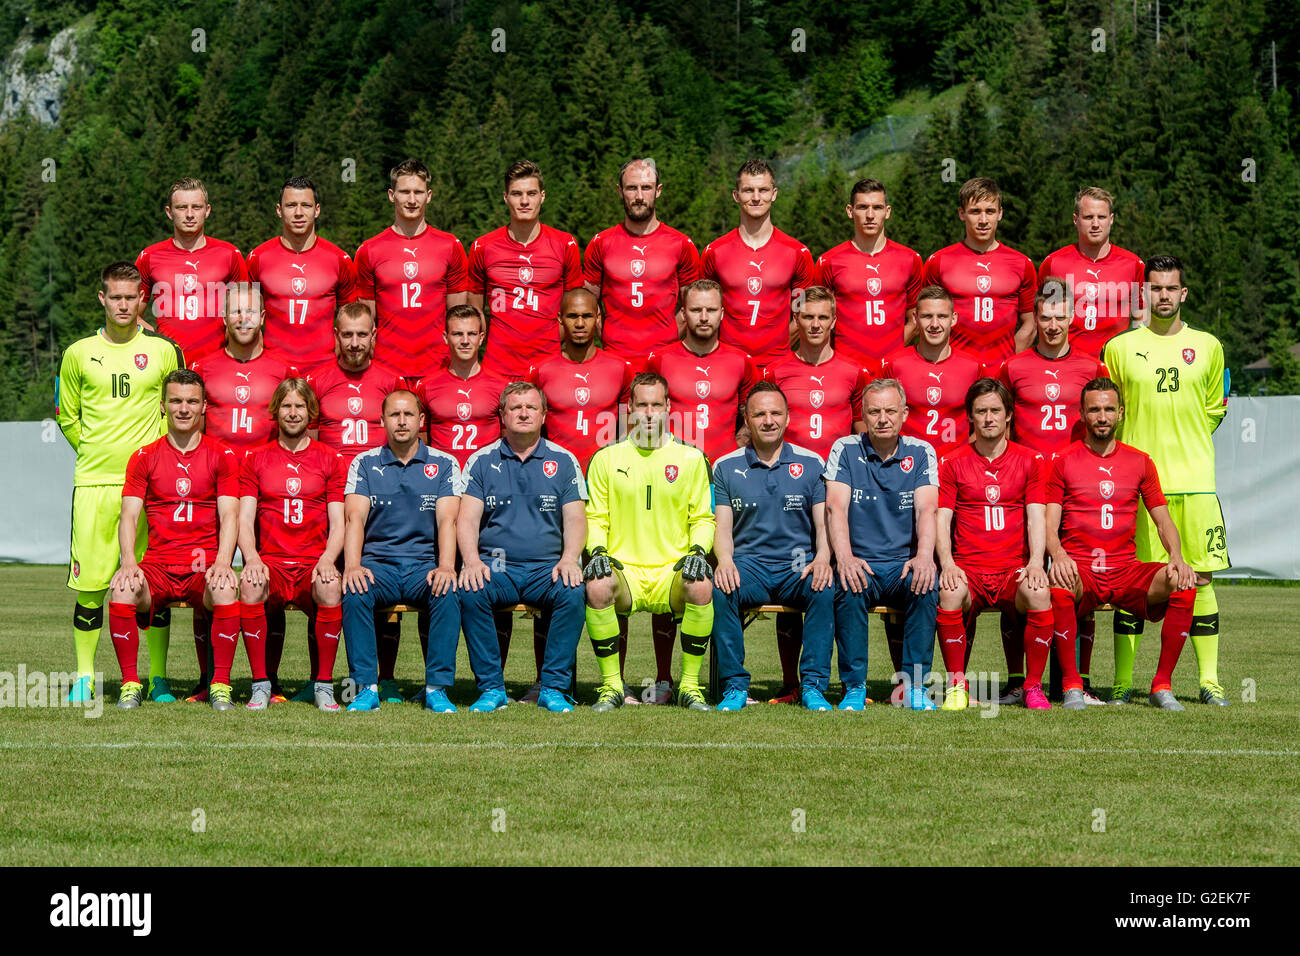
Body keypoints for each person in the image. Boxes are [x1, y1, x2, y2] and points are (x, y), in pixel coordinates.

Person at [1103, 256, 1229, 705]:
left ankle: (1208, 682)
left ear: (1183, 293)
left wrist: (1185, 442)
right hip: (1138, 487)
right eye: (1155, 288)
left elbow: (1215, 408)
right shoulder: (1118, 349)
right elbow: (1109, 413)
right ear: (1144, 294)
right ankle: (1122, 682)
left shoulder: (1209, 346)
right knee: (1133, 582)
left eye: (1171, 288)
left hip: (1196, 482)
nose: (1163, 295)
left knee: (1202, 579)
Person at [57, 261, 183, 704]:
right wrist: (95, 452)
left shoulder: (165, 351)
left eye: (132, 297)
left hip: (153, 491)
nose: (124, 304)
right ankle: (86, 677)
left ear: (142, 300)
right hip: (95, 484)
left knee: (154, 587)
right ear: (102, 299)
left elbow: (179, 408)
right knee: (91, 586)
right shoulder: (77, 353)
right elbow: (66, 417)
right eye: (116, 296)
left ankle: (158, 678)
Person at [1045, 378, 1197, 710]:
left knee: (1184, 584)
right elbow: (1048, 523)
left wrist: (1177, 556)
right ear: (1083, 414)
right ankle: (1072, 687)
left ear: (1121, 413)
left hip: (1126, 571)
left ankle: (1161, 686)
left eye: (1109, 409)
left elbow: (1163, 519)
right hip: (1082, 572)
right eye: (1095, 410)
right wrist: (1057, 554)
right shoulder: (1063, 460)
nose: (1102, 416)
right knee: (1059, 586)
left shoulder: (1140, 461)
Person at [995, 277, 1108, 703]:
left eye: (1061, 316)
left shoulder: (1092, 366)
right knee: (1022, 579)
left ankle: (1078, 679)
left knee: (1076, 582)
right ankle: (1015, 680)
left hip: (1073, 489)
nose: (1054, 324)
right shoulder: (1014, 366)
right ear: (1035, 319)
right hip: (1022, 485)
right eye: (1045, 316)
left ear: (1073, 316)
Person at [107, 370, 240, 710]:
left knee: (225, 586)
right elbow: (129, 516)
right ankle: (130, 684)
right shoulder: (144, 456)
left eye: (192, 401)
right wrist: (128, 562)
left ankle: (220, 684)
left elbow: (229, 516)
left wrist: (224, 562)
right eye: (176, 400)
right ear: (163, 406)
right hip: (159, 566)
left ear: (204, 407)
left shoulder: (223, 456)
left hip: (204, 565)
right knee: (121, 588)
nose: (184, 408)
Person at [583, 372, 716, 711]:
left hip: (671, 572)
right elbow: (596, 518)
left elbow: (702, 518)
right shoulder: (605, 458)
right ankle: (612, 687)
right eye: (641, 404)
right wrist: (596, 549)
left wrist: (699, 550)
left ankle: (689, 687)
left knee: (701, 586)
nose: (649, 412)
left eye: (657, 404)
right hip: (625, 570)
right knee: (597, 585)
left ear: (669, 408)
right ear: (629, 409)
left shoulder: (690, 458)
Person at [760, 284, 867, 702]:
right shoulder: (776, 371)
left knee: (842, 583)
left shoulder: (853, 371)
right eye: (808, 316)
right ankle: (793, 682)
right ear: (796, 320)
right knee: (798, 576)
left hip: (838, 493)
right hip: (792, 493)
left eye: (823, 317)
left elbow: (862, 435)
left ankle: (849, 681)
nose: (816, 324)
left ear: (834, 321)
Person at [456, 383, 588, 713]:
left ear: (543, 415)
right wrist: (471, 561)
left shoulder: (564, 460)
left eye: (531, 407)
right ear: (502, 416)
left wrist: (570, 558)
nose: (524, 413)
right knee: (472, 590)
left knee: (572, 592)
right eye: (516, 408)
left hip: (547, 566)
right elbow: (467, 520)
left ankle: (553, 687)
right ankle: (491, 688)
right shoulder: (481, 461)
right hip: (497, 565)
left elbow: (575, 519)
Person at [301, 302, 404, 700]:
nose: (356, 342)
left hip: (379, 500)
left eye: (363, 334)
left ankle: (386, 677)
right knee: (324, 585)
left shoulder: (391, 380)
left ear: (374, 335)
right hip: (327, 500)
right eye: (348, 334)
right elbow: (304, 442)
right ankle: (320, 680)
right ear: (336, 336)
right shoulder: (318, 380)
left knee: (379, 586)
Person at [711, 383, 834, 711]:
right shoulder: (724, 466)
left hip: (798, 566)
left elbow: (823, 525)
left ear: (788, 418)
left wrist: (823, 558)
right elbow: (722, 526)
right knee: (721, 589)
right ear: (746, 420)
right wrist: (723, 561)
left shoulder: (812, 464)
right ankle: (735, 687)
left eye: (775, 413)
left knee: (824, 588)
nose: (768, 420)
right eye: (760, 414)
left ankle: (812, 687)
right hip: (749, 566)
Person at [935, 379, 1054, 710]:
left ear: (1009, 416)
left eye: (995, 411)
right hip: (969, 568)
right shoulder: (952, 461)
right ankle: (957, 685)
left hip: (1011, 569)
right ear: (970, 418)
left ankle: (1032, 687)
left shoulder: (1030, 460)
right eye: (981, 411)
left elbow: (1035, 517)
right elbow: (942, 520)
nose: (988, 418)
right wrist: (947, 564)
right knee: (949, 591)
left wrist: (1035, 563)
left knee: (1039, 592)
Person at [340, 390, 461, 713]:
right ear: (382, 421)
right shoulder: (364, 464)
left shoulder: (444, 463)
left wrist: (447, 566)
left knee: (448, 591)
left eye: (409, 415)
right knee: (354, 591)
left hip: (425, 567)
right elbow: (354, 519)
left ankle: (436, 688)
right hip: (379, 567)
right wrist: (352, 565)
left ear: (422, 421)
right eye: (395, 415)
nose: (402, 421)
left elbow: (448, 521)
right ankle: (366, 687)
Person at [825, 378, 938, 711]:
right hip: (863, 562)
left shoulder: (921, 452)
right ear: (863, 415)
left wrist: (923, 557)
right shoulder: (844, 449)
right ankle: (855, 687)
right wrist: (844, 558)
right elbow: (835, 507)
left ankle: (915, 686)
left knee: (925, 583)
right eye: (874, 412)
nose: (883, 419)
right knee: (848, 584)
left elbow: (927, 509)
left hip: (903, 563)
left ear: (904, 413)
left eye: (890, 411)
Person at [237, 378, 347, 711]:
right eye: (286, 405)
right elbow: (244, 519)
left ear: (311, 411)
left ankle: (324, 685)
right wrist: (252, 558)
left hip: (312, 561)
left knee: (331, 587)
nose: (293, 412)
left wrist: (328, 559)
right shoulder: (255, 459)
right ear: (276, 411)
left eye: (300, 406)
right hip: (271, 560)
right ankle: (260, 684)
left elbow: (340, 521)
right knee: (250, 585)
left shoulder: (330, 459)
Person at [353, 159, 468, 382]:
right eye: (405, 192)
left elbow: (459, 317)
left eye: (419, 192)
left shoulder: (450, 246)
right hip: (385, 367)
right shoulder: (370, 250)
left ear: (429, 195)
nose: (412, 200)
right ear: (391, 194)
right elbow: (366, 320)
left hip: (439, 367)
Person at [467, 160, 583, 380]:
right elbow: (475, 312)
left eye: (531, 193)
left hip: (550, 365)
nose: (524, 201)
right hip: (498, 365)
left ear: (542, 196)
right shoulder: (483, 247)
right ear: (505, 197)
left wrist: (551, 343)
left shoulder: (565, 244)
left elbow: (574, 309)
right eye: (516, 194)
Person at [699, 159, 817, 369]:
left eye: (763, 190)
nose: (755, 198)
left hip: (778, 368)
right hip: (727, 367)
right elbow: (703, 311)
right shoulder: (714, 252)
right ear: (736, 196)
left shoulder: (798, 253)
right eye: (748, 190)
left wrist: (777, 353)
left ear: (774, 194)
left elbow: (803, 313)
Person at [582, 158, 700, 364]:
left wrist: (670, 340)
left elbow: (694, 306)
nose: (639, 196)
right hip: (615, 360)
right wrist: (610, 340)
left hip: (665, 361)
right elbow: (587, 305)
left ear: (658, 190)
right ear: (620, 191)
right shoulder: (601, 243)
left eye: (646, 188)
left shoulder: (681, 244)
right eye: (631, 188)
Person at [246, 176, 358, 371]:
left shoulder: (340, 260)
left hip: (325, 370)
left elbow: (353, 322)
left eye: (306, 205)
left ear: (317, 210)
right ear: (279, 211)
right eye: (291, 205)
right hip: (273, 370)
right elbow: (242, 317)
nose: (298, 213)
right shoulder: (258, 258)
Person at [923, 177, 1036, 367]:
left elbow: (1030, 324)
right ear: (962, 213)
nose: (983, 220)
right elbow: (925, 319)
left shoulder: (1022, 264)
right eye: (975, 212)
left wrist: (1008, 364)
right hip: (953, 371)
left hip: (1000, 377)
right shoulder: (939, 262)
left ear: (1000, 213)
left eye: (990, 211)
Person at [135, 177, 248, 363]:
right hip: (167, 365)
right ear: (169, 212)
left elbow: (247, 314)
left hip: (216, 366)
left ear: (207, 210)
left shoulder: (229, 254)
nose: (189, 214)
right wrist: (156, 340)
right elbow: (129, 313)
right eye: (181, 208)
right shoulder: (150, 256)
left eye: (196, 207)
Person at [815, 178, 924, 366]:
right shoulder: (829, 261)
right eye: (863, 207)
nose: (870, 215)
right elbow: (818, 322)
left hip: (893, 371)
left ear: (887, 212)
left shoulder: (910, 259)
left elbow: (916, 320)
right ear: (850, 211)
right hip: (847, 370)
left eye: (878, 207)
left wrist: (892, 357)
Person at [647, 279, 756, 463]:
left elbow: (754, 415)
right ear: (683, 313)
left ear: (721, 314)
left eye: (711, 310)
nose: (704, 317)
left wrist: (733, 454)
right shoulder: (659, 361)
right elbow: (643, 415)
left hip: (723, 470)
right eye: (696, 310)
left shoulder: (742, 362)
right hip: (672, 469)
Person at [527, 288, 634, 472]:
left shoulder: (621, 369)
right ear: (560, 318)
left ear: (598, 317)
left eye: (587, 316)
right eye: (572, 316)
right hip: (555, 473)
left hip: (606, 474)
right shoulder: (540, 371)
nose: (579, 323)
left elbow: (628, 431)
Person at [1037, 186, 1146, 360]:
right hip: (1067, 366)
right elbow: (1041, 319)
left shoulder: (1133, 264)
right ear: (1075, 219)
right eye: (1088, 217)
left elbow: (1142, 321)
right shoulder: (1054, 263)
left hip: (1116, 366)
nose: (1095, 224)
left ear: (1111, 219)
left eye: (1101, 217)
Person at [880, 286, 986, 460]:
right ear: (915, 318)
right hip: (906, 469)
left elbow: (986, 424)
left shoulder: (974, 367)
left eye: (942, 316)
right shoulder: (893, 365)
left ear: (953, 319)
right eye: (927, 316)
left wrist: (968, 459)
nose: (935, 324)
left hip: (956, 471)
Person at [417, 304, 511, 468]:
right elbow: (420, 443)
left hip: (486, 479)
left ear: (481, 338)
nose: (465, 341)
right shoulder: (426, 386)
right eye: (458, 334)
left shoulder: (502, 386)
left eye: (472, 334)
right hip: (443, 480)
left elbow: (508, 441)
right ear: (446, 337)